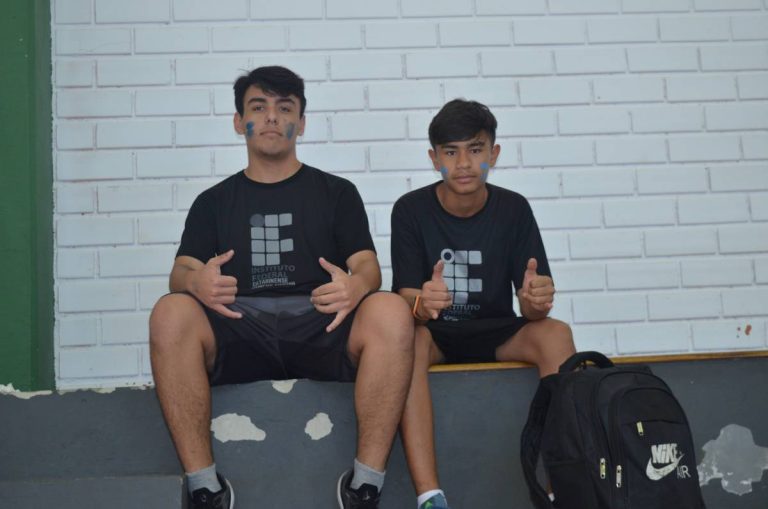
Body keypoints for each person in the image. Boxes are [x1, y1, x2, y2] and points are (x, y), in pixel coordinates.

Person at [149, 66, 414, 509]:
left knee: (390, 309)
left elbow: (368, 266)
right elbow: (181, 272)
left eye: (284, 108)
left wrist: (356, 287)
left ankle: (365, 487)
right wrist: (196, 282)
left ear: (301, 123)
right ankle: (205, 489)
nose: (272, 117)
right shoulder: (213, 202)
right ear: (239, 122)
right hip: (239, 325)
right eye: (258, 107)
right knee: (169, 311)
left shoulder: (336, 192)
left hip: (320, 324)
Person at [390, 99, 576, 509]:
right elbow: (405, 299)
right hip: (436, 333)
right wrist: (422, 302)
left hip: (496, 329)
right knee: (407, 340)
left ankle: (562, 489)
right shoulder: (410, 210)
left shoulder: (514, 208)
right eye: (450, 152)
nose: (463, 164)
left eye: (475, 150)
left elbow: (533, 305)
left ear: (494, 153)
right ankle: (430, 496)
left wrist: (535, 300)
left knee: (556, 334)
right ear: (434, 158)